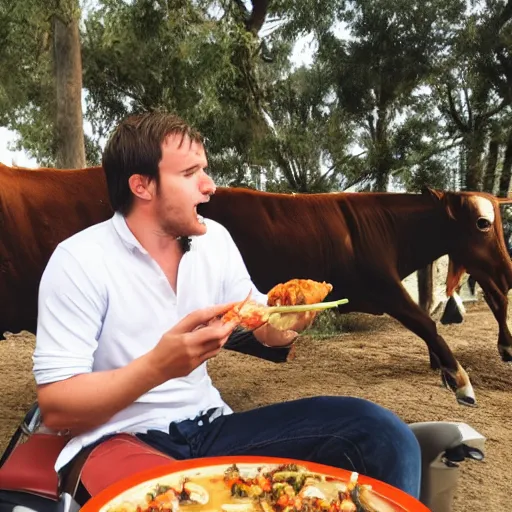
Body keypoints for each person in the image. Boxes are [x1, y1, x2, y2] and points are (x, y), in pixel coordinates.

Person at [32, 112, 421, 503]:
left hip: (211, 428)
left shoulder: (213, 241)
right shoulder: (79, 261)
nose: (209, 185)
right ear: (142, 186)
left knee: (382, 435)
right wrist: (157, 367)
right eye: (189, 173)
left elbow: (259, 322)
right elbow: (58, 408)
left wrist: (286, 321)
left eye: (205, 169)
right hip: (118, 439)